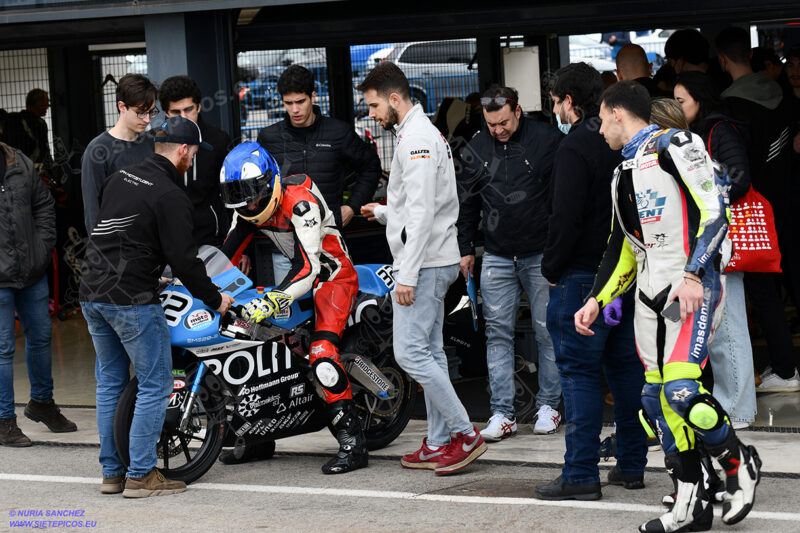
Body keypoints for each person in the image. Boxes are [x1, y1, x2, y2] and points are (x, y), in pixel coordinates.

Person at [575, 80, 761, 532]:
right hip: (647, 296)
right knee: (653, 402)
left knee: (681, 390)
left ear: (618, 113)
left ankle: (739, 463)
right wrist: (598, 300)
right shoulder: (622, 172)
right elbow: (623, 246)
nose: (599, 131)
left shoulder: (678, 143)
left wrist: (696, 273)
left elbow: (717, 209)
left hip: (690, 286)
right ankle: (691, 502)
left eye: (601, 120)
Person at [80, 117, 234, 497]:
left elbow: (119, 233)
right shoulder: (170, 194)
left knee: (111, 384)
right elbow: (185, 260)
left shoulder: (122, 177)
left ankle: (112, 473)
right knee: (156, 383)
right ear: (183, 151)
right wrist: (217, 300)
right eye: (194, 154)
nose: (193, 160)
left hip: (91, 291)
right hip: (130, 299)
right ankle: (142, 475)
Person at [358, 61, 486, 475]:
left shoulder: (416, 139)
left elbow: (422, 212)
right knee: (429, 352)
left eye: (375, 106)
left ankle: (465, 435)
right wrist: (383, 212)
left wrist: (406, 276)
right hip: (434, 258)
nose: (372, 114)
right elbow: (418, 205)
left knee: (410, 353)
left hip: (425, 263)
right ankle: (437, 440)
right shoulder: (418, 134)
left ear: (395, 98)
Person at [535, 63, 647, 501]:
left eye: (556, 101)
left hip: (582, 277)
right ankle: (632, 465)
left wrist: (551, 268)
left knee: (578, 374)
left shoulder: (575, 147)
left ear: (569, 101)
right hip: (626, 277)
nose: (556, 109)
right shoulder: (626, 146)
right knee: (626, 371)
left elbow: (564, 218)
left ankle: (580, 473)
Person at [221, 141, 367, 475]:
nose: (250, 203)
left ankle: (352, 443)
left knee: (321, 354)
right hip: (296, 282)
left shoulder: (300, 204)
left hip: (332, 278)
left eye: (255, 194)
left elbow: (309, 268)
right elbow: (225, 255)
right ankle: (257, 438)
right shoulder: (246, 207)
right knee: (249, 340)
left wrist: (273, 299)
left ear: (271, 180)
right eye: (240, 195)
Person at [457, 85, 563, 439]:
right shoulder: (476, 145)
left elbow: (563, 195)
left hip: (541, 252)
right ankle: (502, 413)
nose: (498, 129)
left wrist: (561, 248)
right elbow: (467, 202)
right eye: (491, 124)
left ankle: (549, 405)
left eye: (503, 122)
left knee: (547, 331)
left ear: (518, 111)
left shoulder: (547, 138)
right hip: (498, 254)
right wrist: (466, 248)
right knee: (496, 333)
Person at [716, 26, 800, 392]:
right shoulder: (784, 97)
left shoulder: (730, 108)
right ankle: (785, 369)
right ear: (751, 56)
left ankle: (785, 370)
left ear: (722, 59)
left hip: (755, 214)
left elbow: (738, 171)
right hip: (791, 204)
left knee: (764, 292)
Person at [673, 71, 758, 423]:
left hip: (720, 241)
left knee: (728, 328)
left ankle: (736, 410)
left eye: (681, 101)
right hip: (706, 242)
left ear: (699, 99)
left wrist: (707, 197)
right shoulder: (691, 135)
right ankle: (728, 405)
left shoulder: (717, 130)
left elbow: (739, 178)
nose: (677, 108)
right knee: (714, 327)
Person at [252, 65, 381, 282]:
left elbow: (371, 167)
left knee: (334, 311)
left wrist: (352, 206)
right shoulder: (269, 137)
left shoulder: (338, 132)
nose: (295, 110)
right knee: (292, 314)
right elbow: (257, 188)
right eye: (288, 103)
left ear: (313, 96)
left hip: (329, 241)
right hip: (287, 247)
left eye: (300, 102)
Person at [0, 140, 77, 447]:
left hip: (31, 271)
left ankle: (42, 403)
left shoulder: (17, 160)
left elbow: (44, 204)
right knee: (3, 350)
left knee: (42, 337)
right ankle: (5, 421)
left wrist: (42, 248)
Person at [159, 75, 232, 247]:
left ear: (198, 107)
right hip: (167, 245)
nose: (183, 117)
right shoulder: (155, 145)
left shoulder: (218, 141)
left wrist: (238, 247)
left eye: (188, 109)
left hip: (212, 241)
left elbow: (232, 197)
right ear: (166, 113)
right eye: (176, 112)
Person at [81, 73, 157, 233]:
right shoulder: (98, 150)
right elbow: (93, 211)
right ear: (122, 106)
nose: (147, 119)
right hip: (117, 249)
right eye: (141, 112)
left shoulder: (152, 144)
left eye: (151, 112)